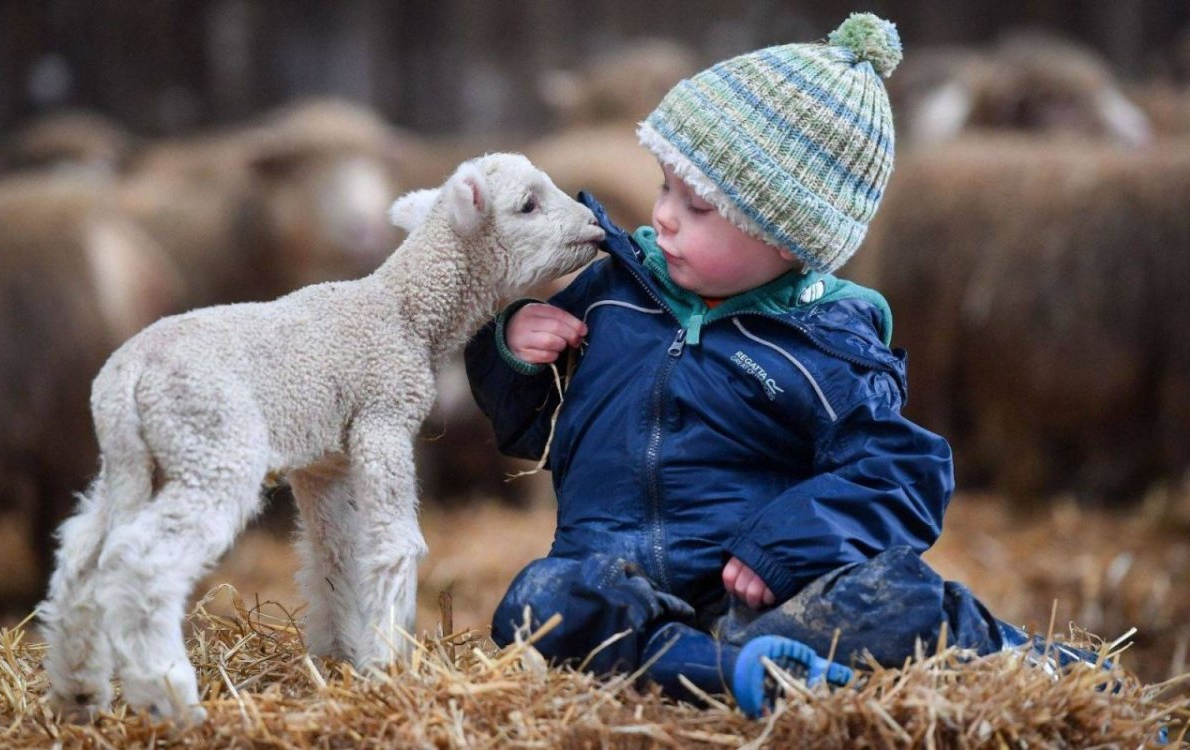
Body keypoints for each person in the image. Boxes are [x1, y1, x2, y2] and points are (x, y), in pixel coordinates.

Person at [464, 13, 1104, 718]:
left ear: (788, 235)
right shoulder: (616, 293)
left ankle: (1043, 672)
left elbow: (899, 476)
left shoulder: (827, 345)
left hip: (764, 600)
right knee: (538, 606)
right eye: (666, 187)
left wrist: (788, 545)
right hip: (618, 583)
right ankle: (735, 678)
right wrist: (513, 350)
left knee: (896, 600)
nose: (665, 216)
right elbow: (528, 428)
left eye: (699, 206)